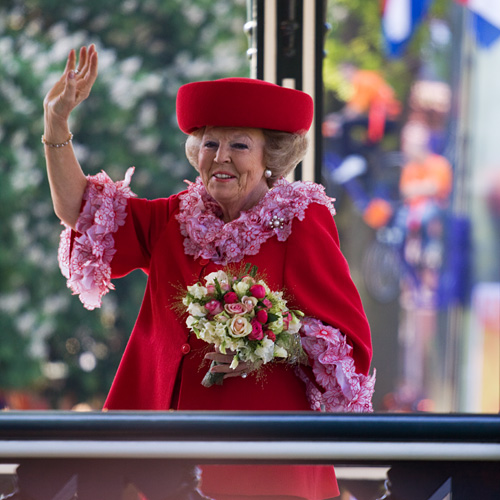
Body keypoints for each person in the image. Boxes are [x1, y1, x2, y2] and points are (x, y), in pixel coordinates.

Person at [42, 45, 375, 500]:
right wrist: (56, 126)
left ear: (269, 158)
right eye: (210, 142)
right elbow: (82, 212)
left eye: (239, 144)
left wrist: (269, 345)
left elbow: (348, 348)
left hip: (260, 461)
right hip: (154, 456)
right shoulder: (174, 217)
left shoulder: (299, 220)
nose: (221, 156)